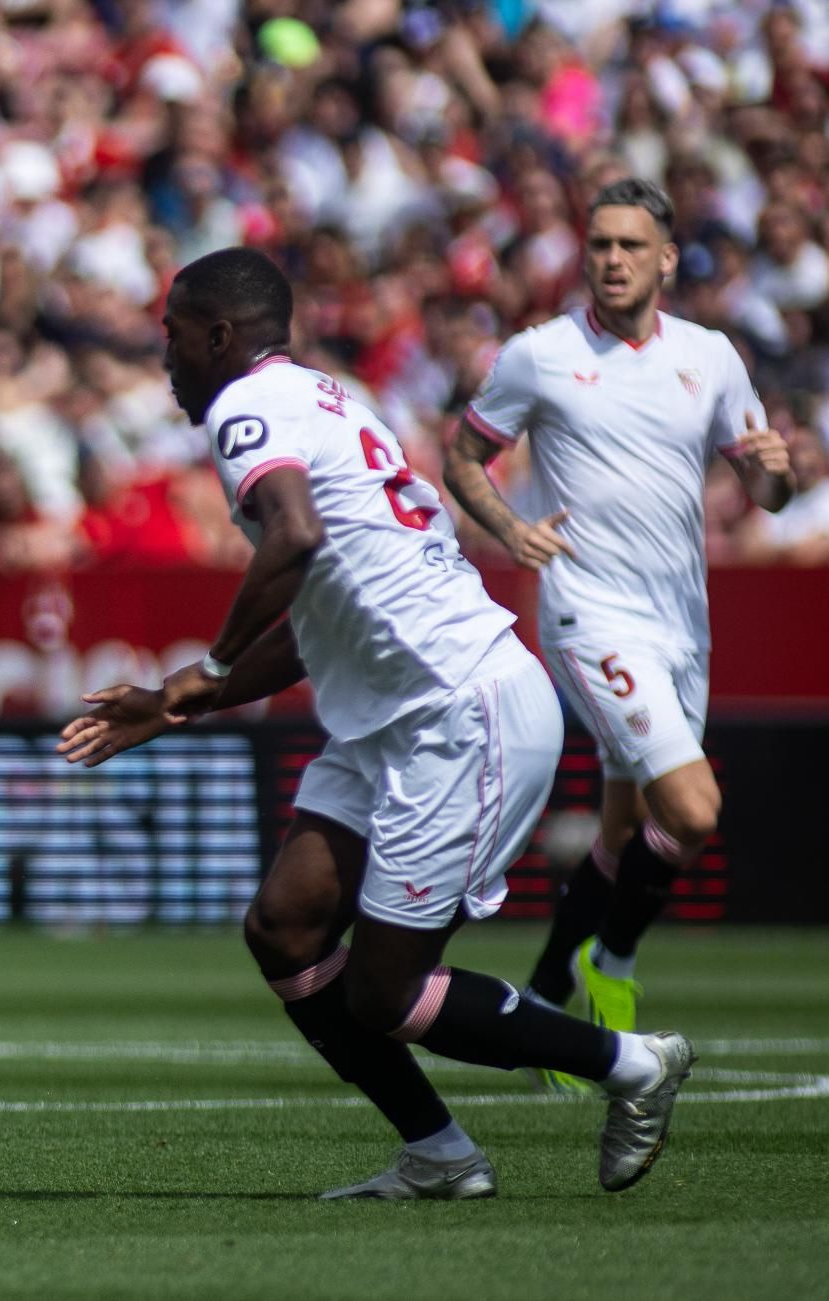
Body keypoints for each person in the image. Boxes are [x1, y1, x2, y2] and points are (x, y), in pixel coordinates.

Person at [58, 248, 694, 1199]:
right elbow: (320, 614)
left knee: (384, 991)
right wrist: (181, 699)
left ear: (221, 336)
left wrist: (211, 665)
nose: (167, 358)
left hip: (459, 709)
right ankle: (438, 1155)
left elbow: (295, 539)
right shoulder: (332, 399)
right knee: (284, 928)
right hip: (394, 718)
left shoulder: (246, 408)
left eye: (174, 335)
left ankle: (631, 1064)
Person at [445, 178, 794, 1084]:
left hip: (681, 620)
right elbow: (463, 453)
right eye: (598, 243)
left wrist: (775, 475)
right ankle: (616, 961)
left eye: (629, 246)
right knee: (691, 809)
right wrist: (507, 528)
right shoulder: (539, 355)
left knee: (625, 823)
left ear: (665, 259)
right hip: (586, 611)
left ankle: (548, 999)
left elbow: (761, 487)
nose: (610, 259)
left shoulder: (710, 357)